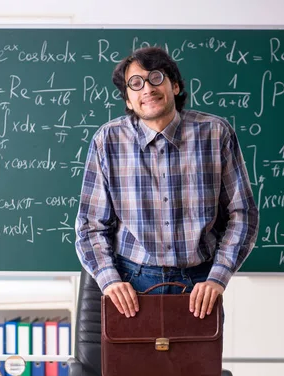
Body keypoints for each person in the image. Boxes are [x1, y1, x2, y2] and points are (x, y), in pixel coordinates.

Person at [76, 46, 259, 319]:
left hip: (200, 285)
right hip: (132, 286)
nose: (147, 89)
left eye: (155, 78)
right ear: (128, 99)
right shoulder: (107, 141)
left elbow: (242, 214)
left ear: (174, 85)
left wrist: (217, 277)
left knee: (196, 364)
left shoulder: (215, 134)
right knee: (132, 364)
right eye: (135, 84)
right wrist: (110, 280)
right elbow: (90, 225)